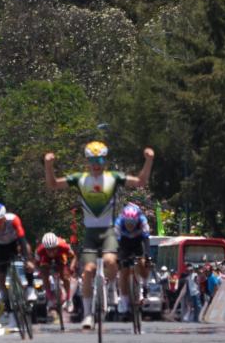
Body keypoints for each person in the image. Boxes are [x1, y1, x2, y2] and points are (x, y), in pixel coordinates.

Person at [45, 141, 154, 329]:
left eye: (100, 159)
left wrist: (149, 161)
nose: (97, 163)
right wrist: (48, 165)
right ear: (88, 161)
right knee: (87, 271)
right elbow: (53, 184)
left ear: (105, 160)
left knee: (111, 262)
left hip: (108, 231)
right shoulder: (80, 179)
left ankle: (112, 290)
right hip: (90, 233)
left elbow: (140, 182)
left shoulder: (113, 177)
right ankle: (88, 315)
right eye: (93, 160)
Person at [115, 203, 151, 314]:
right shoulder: (118, 223)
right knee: (123, 272)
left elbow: (146, 241)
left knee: (142, 262)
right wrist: (118, 257)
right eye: (128, 224)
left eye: (132, 224)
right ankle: (124, 300)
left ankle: (145, 285)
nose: (130, 226)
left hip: (138, 242)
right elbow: (116, 243)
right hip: (124, 243)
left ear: (137, 221)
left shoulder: (142, 222)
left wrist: (147, 256)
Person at [35, 231, 75, 314]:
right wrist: (40, 271)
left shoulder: (63, 246)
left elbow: (74, 257)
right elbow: (36, 263)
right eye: (49, 250)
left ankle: (69, 300)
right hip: (46, 258)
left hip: (60, 256)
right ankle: (50, 298)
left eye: (53, 249)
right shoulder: (40, 250)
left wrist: (71, 266)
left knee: (65, 277)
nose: (52, 252)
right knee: (44, 274)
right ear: (45, 248)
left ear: (57, 246)